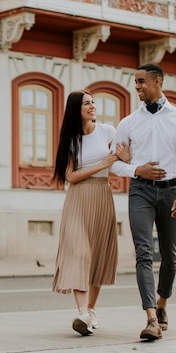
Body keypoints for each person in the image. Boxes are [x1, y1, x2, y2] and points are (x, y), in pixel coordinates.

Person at [111, 63, 176, 341]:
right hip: (140, 191)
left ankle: (162, 305)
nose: (136, 86)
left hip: (172, 191)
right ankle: (150, 318)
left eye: (141, 82)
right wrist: (136, 170)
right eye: (135, 82)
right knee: (143, 252)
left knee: (171, 257)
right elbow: (113, 163)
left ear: (157, 82)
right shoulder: (128, 123)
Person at [52, 90, 129, 336]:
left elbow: (125, 157)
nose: (93, 106)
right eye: (87, 103)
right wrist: (102, 164)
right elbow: (70, 176)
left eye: (93, 102)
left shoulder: (108, 131)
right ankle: (82, 312)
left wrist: (123, 156)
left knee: (97, 255)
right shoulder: (70, 138)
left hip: (102, 196)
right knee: (79, 253)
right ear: (76, 109)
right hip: (77, 199)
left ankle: (91, 310)